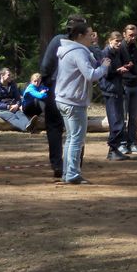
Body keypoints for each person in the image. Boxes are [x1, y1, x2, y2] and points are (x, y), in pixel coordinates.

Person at [55, 22, 111, 184]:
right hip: (73, 101)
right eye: (89, 35)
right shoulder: (78, 52)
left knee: (71, 138)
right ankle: (72, 174)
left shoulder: (68, 50)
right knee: (77, 139)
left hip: (64, 99)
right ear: (79, 36)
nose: (92, 38)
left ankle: (68, 173)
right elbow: (91, 75)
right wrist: (104, 67)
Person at [39, 14, 86, 177]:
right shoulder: (82, 46)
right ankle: (73, 165)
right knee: (76, 129)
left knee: (55, 128)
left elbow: (45, 67)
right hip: (72, 92)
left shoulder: (57, 41)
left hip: (55, 89)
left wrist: (48, 84)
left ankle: (58, 165)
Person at [99, 31, 130, 161]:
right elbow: (105, 72)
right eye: (116, 41)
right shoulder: (105, 53)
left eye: (120, 41)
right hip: (110, 90)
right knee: (115, 121)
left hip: (117, 89)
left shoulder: (117, 52)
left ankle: (115, 148)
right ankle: (112, 149)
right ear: (110, 40)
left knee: (119, 120)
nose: (119, 43)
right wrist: (118, 71)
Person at [0, 68, 41, 132]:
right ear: (2, 75)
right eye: (8, 75)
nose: (10, 77)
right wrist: (8, 106)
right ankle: (26, 128)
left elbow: (18, 98)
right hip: (1, 110)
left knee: (21, 115)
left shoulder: (12, 85)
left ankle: (29, 125)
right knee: (12, 116)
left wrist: (17, 105)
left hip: (14, 107)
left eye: (10, 75)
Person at [119, 24, 137, 155]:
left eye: (135, 35)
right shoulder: (120, 48)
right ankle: (122, 143)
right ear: (124, 34)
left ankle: (133, 143)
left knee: (134, 117)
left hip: (136, 86)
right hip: (124, 86)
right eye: (130, 35)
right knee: (123, 117)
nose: (133, 37)